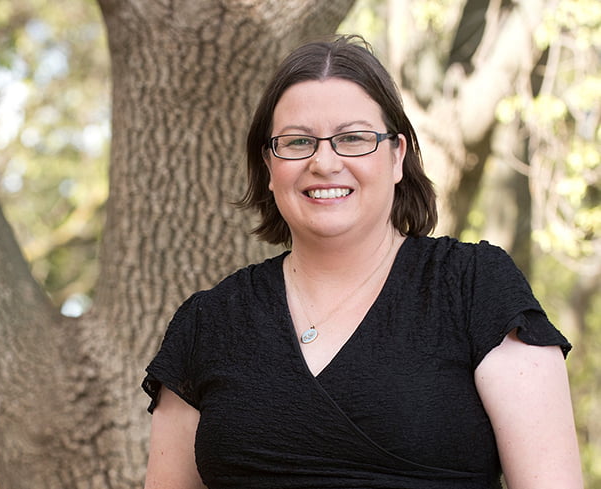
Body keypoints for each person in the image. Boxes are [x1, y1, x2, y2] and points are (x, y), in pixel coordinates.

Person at [141, 35, 583, 489]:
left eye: (353, 138)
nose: (324, 162)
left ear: (397, 156)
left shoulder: (474, 288)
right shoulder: (208, 322)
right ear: (269, 167)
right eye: (297, 143)